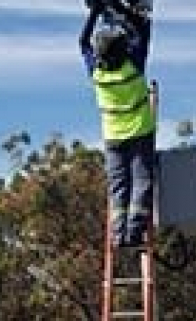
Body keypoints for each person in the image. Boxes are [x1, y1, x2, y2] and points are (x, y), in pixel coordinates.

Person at [80, 0, 157, 248]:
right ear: (124, 49)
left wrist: (96, 11)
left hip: (113, 137)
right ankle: (134, 232)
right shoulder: (133, 66)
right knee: (142, 181)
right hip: (140, 132)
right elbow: (142, 28)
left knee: (118, 186)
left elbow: (82, 42)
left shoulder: (98, 74)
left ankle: (117, 234)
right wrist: (116, 6)